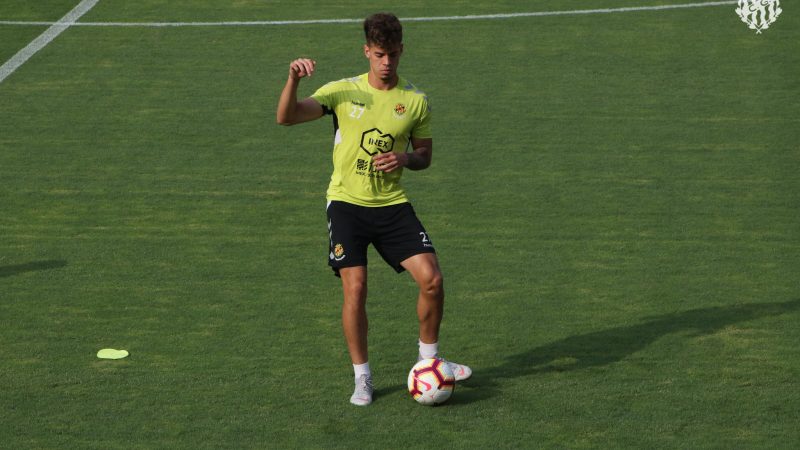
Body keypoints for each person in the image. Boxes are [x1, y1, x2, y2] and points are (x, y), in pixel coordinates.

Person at [276, 12, 471, 406]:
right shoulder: (342, 92)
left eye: (393, 54)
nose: (387, 62)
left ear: (402, 51)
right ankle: (362, 378)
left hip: (392, 205)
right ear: (367, 51)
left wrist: (404, 159)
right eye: (380, 54)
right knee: (357, 288)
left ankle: (428, 362)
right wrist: (293, 79)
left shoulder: (415, 101)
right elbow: (287, 117)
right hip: (346, 205)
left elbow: (424, 156)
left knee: (432, 280)